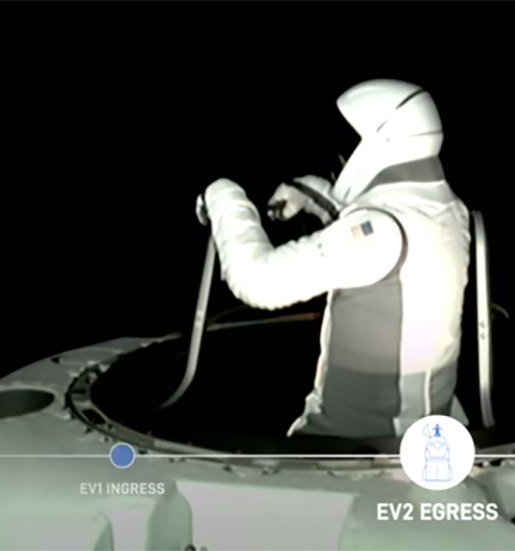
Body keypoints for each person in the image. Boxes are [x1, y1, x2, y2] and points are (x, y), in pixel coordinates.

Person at [196, 79, 470, 439]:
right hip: (427, 423)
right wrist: (307, 191)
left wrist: (224, 198)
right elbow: (369, 229)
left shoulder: (382, 230)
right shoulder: (447, 210)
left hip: (353, 443)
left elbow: (257, 282)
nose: (342, 156)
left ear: (381, 143)